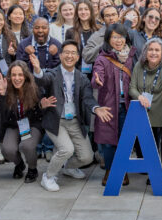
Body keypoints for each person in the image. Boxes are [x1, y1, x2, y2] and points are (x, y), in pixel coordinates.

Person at [37, 41, 111, 191]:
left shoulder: (82, 78)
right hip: (56, 121)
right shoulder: (52, 74)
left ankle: (68, 167)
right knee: (67, 149)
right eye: (66, 52)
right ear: (60, 55)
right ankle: (48, 176)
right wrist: (38, 71)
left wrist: (96, 108)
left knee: (87, 157)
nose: (69, 56)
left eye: (73, 53)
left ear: (77, 57)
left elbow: (88, 98)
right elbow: (43, 80)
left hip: (74, 121)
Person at [130, 39, 162, 187]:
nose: (153, 53)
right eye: (150, 49)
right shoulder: (139, 66)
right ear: (145, 51)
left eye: (157, 50)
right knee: (149, 147)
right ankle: (154, 174)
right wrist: (139, 96)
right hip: (145, 113)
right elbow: (132, 87)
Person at [92, 23, 137, 185]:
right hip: (109, 106)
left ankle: (122, 169)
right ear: (108, 39)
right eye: (114, 37)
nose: (118, 40)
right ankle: (110, 170)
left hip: (128, 105)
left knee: (125, 140)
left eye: (121, 37)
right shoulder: (102, 58)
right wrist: (97, 79)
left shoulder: (133, 56)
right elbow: (98, 73)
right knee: (109, 141)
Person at [0, 61, 48, 183]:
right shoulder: (6, 88)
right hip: (13, 124)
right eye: (14, 75)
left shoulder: (35, 88)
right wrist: (2, 95)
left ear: (26, 76)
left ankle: (32, 169)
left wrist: (42, 106)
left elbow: (40, 111)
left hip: (32, 124)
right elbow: (3, 114)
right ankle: (19, 164)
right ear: (9, 76)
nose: (17, 78)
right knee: (7, 149)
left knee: (27, 145)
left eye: (20, 75)